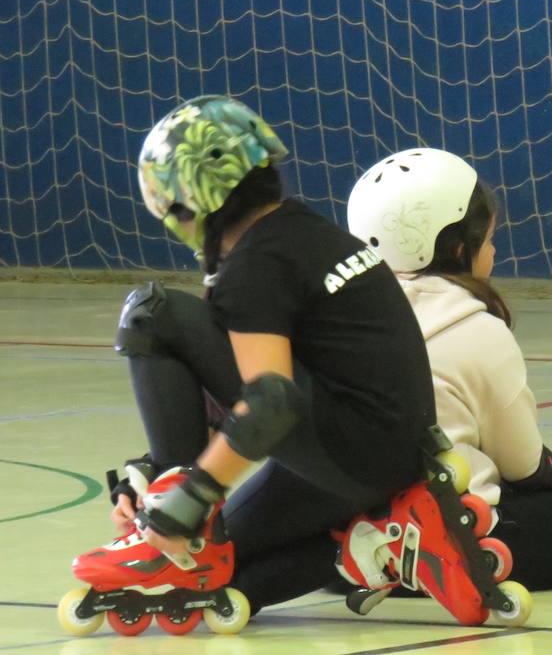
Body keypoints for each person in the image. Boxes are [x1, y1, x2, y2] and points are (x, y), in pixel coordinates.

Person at [59, 96, 525, 638]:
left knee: (154, 314)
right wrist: (150, 474)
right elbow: (241, 385)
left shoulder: (256, 265)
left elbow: (270, 401)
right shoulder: (304, 235)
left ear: (185, 204)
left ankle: (179, 501)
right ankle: (378, 545)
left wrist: (191, 497)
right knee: (220, 564)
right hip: (389, 457)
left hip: (345, 449)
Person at [346, 146, 552, 590]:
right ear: (461, 248)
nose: (494, 249)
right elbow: (524, 464)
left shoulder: (342, 319)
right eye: (487, 240)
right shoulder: (472, 326)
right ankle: (442, 568)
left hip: (355, 543)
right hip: (453, 540)